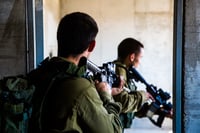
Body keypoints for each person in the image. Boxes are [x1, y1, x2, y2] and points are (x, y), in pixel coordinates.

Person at [28, 12, 123, 133]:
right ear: (92, 45)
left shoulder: (40, 73)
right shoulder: (82, 88)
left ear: (59, 39)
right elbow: (113, 130)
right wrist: (106, 96)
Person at [111, 38, 154, 130]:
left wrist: (157, 110)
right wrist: (143, 95)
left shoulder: (126, 72)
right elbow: (123, 103)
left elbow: (134, 110)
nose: (141, 61)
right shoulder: (119, 72)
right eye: (141, 57)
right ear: (132, 57)